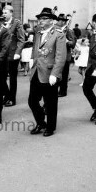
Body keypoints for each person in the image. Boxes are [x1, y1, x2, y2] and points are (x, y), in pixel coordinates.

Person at [28, 7, 67, 137]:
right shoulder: (38, 33)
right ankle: (40, 122)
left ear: (52, 21)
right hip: (36, 71)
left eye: (44, 19)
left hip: (50, 73)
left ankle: (50, 127)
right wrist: (31, 62)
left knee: (50, 103)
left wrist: (55, 74)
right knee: (32, 101)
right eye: (40, 18)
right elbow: (36, 50)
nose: (40, 21)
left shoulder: (59, 34)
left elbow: (60, 57)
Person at [1, 5, 25, 107]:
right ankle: (6, 94)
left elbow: (21, 39)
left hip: (12, 54)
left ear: (11, 13)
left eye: (6, 13)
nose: (4, 15)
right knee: (1, 77)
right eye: (3, 13)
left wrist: (17, 53)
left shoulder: (17, 23)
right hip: (2, 54)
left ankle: (12, 99)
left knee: (12, 78)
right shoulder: (2, 23)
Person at [55, 13, 76, 97]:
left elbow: (73, 43)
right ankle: (58, 89)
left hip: (66, 56)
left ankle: (63, 91)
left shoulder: (69, 31)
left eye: (60, 20)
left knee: (64, 75)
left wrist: (67, 42)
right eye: (58, 20)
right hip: (57, 55)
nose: (58, 22)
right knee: (58, 74)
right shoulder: (57, 30)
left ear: (63, 22)